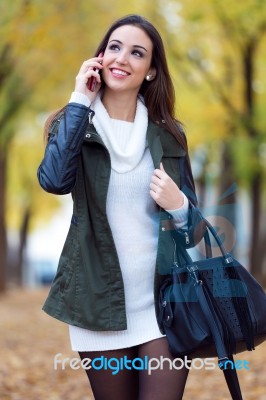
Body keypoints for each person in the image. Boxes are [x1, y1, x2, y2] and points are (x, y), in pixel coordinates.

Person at [38, 14, 203, 400]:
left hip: (165, 305)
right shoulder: (74, 121)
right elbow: (54, 181)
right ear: (100, 56)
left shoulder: (170, 135)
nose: (121, 59)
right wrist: (80, 98)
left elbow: (194, 230)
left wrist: (178, 204)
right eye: (114, 47)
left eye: (136, 52)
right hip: (99, 305)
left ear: (150, 71)